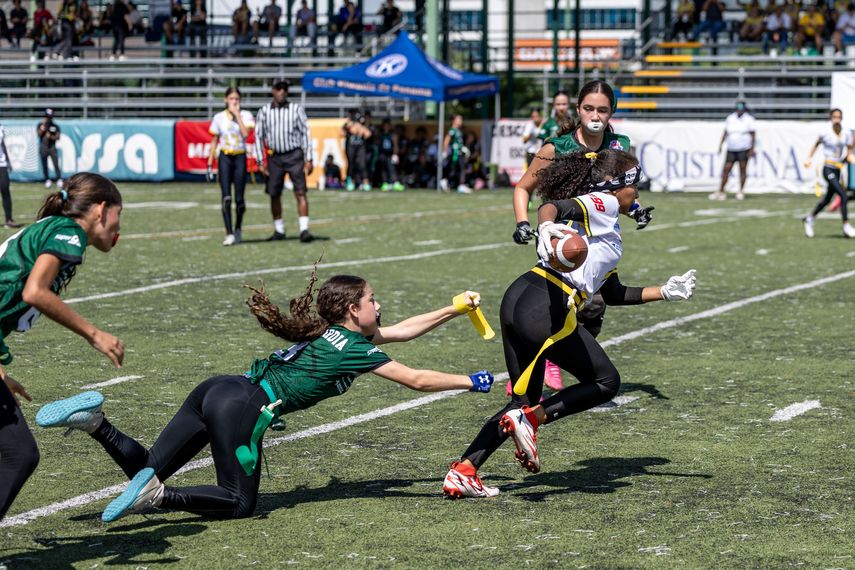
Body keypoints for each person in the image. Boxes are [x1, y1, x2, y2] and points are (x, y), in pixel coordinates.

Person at [37, 273, 495, 521]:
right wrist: (468, 381)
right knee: (239, 503)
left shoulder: (332, 333)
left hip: (218, 388)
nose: (380, 306)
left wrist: (453, 309)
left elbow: (402, 332)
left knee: (148, 463)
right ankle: (159, 497)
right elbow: (415, 379)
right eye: (374, 300)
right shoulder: (354, 348)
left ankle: (96, 422)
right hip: (243, 408)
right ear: (354, 310)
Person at [442, 150, 697, 498]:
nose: (637, 194)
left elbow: (614, 292)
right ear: (616, 186)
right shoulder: (603, 203)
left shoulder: (606, 227)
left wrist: (664, 292)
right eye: (634, 186)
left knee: (521, 402)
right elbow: (555, 207)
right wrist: (545, 226)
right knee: (606, 381)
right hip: (547, 306)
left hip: (522, 295)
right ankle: (532, 421)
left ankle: (465, 469)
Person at [511, 81, 654, 393]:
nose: (595, 114)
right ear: (578, 110)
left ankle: (542, 364)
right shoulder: (557, 147)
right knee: (559, 307)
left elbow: (621, 193)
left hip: (600, 240)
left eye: (603, 109)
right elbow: (523, 187)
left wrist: (637, 209)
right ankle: (537, 369)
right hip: (562, 237)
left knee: (593, 310)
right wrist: (523, 222)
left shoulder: (618, 145)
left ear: (612, 112)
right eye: (589, 108)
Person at [0, 173, 124, 521]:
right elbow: (35, 292)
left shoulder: (53, 227)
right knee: (17, 453)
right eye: (119, 214)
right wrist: (94, 334)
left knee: (15, 452)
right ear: (100, 209)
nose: (119, 227)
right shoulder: (68, 233)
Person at [254, 79, 314, 243]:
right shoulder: (264, 111)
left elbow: (305, 134)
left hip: (294, 155)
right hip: (275, 157)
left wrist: (308, 159)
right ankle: (279, 230)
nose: (281, 92)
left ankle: (304, 229)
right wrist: (260, 161)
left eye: (284, 89)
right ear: (273, 90)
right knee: (274, 193)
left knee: (300, 191)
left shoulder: (296, 110)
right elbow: (258, 137)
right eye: (278, 89)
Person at [208, 87, 255, 246]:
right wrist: (210, 161)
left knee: (240, 200)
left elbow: (245, 134)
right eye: (231, 99)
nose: (234, 102)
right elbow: (214, 139)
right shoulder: (219, 117)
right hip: (225, 157)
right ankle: (228, 233)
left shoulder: (245, 115)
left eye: (237, 99)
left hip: (240, 156)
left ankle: (238, 229)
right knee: (226, 197)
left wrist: (237, 116)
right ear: (226, 100)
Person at [802, 108, 855, 238]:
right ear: (830, 118)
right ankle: (846, 225)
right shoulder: (825, 132)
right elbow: (816, 144)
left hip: (838, 169)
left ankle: (809, 218)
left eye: (839, 117)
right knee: (842, 195)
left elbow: (849, 148)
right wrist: (809, 158)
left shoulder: (846, 133)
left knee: (827, 199)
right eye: (834, 117)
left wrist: (849, 157)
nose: (837, 120)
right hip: (828, 168)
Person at [711, 100, 756, 201]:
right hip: (731, 148)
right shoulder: (731, 118)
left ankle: (740, 191)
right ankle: (721, 190)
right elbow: (726, 132)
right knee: (726, 168)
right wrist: (721, 145)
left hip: (743, 148)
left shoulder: (749, 119)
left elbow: (753, 134)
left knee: (742, 169)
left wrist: (752, 148)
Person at [342, 108, 371, 192]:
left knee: (362, 165)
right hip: (351, 147)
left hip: (360, 147)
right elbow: (341, 133)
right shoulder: (348, 124)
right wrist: (350, 127)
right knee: (351, 165)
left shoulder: (361, 124)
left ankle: (365, 182)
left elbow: (368, 134)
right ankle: (351, 182)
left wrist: (360, 129)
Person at [443, 114, 471, 194]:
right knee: (458, 169)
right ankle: (459, 184)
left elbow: (459, 143)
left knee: (457, 169)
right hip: (455, 153)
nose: (461, 121)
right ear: (454, 120)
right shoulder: (452, 130)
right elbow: (447, 140)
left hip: (459, 152)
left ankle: (449, 181)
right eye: (459, 119)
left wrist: (463, 148)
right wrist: (444, 151)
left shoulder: (458, 131)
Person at [0, 123, 20, 229]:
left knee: (5, 189)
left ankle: (9, 219)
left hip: (2, 164)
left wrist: (8, 161)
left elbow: (2, 144)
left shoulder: (0, 127)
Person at [37, 109, 62, 189]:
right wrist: (43, 128)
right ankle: (47, 179)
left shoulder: (55, 126)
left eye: (50, 117)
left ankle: (59, 179)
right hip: (43, 147)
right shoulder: (41, 125)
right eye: (47, 117)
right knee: (44, 164)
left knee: (56, 163)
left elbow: (58, 137)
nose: (48, 118)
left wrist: (51, 137)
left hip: (52, 147)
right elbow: (38, 134)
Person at [377, 118, 403, 192]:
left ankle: (395, 182)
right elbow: (378, 144)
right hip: (383, 154)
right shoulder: (381, 134)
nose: (386, 127)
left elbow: (395, 145)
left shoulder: (392, 135)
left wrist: (395, 154)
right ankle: (385, 183)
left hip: (390, 154)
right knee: (383, 169)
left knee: (391, 168)